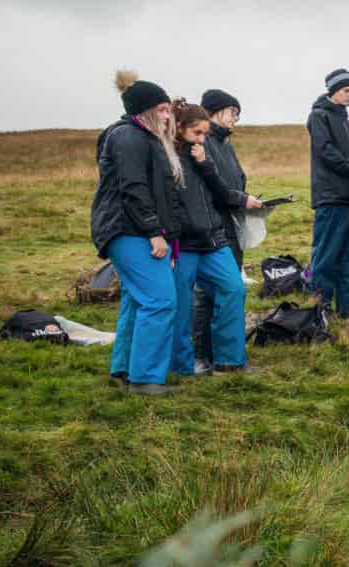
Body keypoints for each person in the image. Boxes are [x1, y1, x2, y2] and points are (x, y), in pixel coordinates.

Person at [91, 71, 182, 396]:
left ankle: (124, 370)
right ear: (143, 111)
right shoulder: (129, 137)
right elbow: (134, 189)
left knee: (136, 299)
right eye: (161, 109)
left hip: (132, 229)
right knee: (159, 301)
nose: (168, 115)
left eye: (167, 108)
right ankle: (145, 379)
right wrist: (154, 233)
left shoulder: (142, 137)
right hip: (129, 230)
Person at [168, 100, 250, 376]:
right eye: (197, 133)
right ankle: (182, 366)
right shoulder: (165, 156)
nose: (203, 139)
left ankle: (230, 360)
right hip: (182, 243)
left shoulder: (202, 154)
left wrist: (205, 164)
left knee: (234, 289)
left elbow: (221, 191)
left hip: (214, 239)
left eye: (204, 133)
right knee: (180, 304)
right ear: (179, 128)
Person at [192, 89, 260, 371]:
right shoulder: (202, 144)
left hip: (231, 227)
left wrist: (249, 201)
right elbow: (214, 186)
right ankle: (202, 354)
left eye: (238, 114)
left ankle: (223, 356)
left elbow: (234, 182)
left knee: (227, 292)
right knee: (210, 293)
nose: (236, 119)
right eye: (233, 112)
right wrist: (241, 200)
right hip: (211, 229)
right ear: (215, 111)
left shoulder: (226, 146)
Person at [307, 68, 349, 322]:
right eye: (347, 91)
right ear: (334, 90)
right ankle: (319, 309)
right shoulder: (318, 117)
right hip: (331, 197)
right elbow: (327, 152)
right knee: (327, 254)